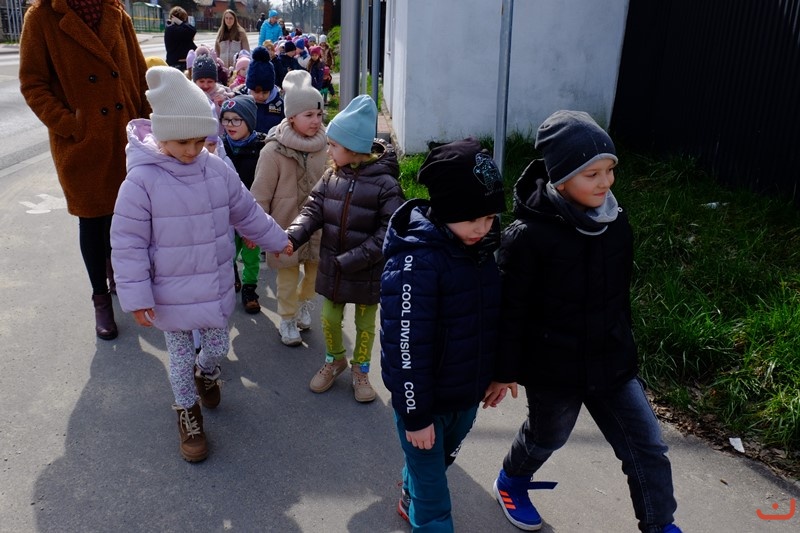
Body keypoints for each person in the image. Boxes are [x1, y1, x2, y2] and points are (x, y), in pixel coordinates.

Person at [487, 110, 682, 533]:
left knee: (647, 445)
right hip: (553, 367)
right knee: (548, 436)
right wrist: (503, 371)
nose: (605, 182)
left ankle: (660, 525)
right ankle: (512, 480)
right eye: (592, 174)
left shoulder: (616, 222)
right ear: (560, 179)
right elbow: (510, 310)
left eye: (610, 170)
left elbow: (619, 297)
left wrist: (625, 344)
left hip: (612, 361)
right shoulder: (528, 236)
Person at [110, 67, 291, 462]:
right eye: (182, 142)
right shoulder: (141, 181)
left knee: (217, 346)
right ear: (161, 136)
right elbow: (128, 244)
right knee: (178, 358)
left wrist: (277, 238)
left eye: (201, 141)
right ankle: (188, 413)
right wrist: (137, 297)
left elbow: (246, 210)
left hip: (212, 284)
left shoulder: (216, 169)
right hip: (168, 294)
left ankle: (207, 372)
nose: (192, 151)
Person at [380, 138, 507, 532]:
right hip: (424, 401)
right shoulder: (416, 262)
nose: (483, 228)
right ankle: (423, 507)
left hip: (465, 396)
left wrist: (501, 372)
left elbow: (494, 317)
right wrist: (416, 416)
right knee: (434, 499)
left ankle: (410, 490)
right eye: (473, 219)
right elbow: (404, 344)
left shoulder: (481, 250)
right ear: (447, 208)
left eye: (490, 217)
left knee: (439, 462)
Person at [19, 0, 150, 341]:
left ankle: (118, 273)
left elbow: (140, 74)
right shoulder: (42, 16)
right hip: (82, 143)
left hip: (124, 136)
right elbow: (32, 83)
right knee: (92, 220)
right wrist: (71, 125)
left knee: (124, 216)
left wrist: (146, 124)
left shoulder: (115, 11)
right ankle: (100, 299)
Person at [285, 95, 405, 402]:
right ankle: (335, 359)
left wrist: (354, 258)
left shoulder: (386, 185)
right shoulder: (332, 176)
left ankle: (361, 370)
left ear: (353, 149)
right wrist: (292, 236)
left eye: (334, 145)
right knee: (328, 318)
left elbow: (390, 231)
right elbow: (312, 209)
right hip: (335, 268)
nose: (328, 151)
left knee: (364, 325)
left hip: (366, 270)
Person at [251, 70, 328, 346]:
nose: (316, 121)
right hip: (283, 228)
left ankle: (304, 304)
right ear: (292, 116)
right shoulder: (273, 151)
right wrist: (254, 229)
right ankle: (287, 318)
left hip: (319, 227)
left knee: (316, 273)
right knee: (287, 276)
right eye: (309, 115)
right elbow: (260, 193)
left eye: (319, 114)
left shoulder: (326, 146)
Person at [218, 95, 269, 313]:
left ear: (249, 121)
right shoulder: (220, 146)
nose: (230, 125)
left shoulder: (262, 147)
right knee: (227, 251)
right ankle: (233, 276)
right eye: (226, 119)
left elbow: (265, 185)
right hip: (226, 214)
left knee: (251, 255)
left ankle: (250, 288)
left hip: (250, 213)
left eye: (236, 120)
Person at [239, 46, 285, 134]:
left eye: (265, 92)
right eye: (256, 92)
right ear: (250, 88)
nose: (260, 96)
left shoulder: (279, 104)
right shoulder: (240, 101)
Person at [164, 6, 196, 71]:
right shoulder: (171, 29)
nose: (185, 22)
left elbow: (192, 30)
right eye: (183, 19)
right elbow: (192, 30)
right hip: (177, 65)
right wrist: (180, 22)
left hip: (180, 63)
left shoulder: (179, 29)